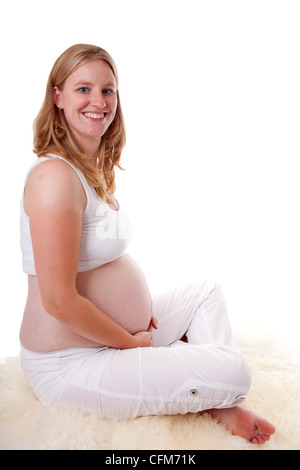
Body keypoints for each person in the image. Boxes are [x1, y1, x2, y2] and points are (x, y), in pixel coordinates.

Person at [19, 44, 275, 444]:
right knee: (236, 374)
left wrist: (132, 316)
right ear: (58, 97)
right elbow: (58, 301)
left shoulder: (87, 170)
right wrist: (129, 341)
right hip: (69, 364)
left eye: (108, 90)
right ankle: (212, 391)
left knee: (206, 293)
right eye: (83, 89)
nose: (98, 101)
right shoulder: (54, 177)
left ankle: (199, 387)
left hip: (111, 336)